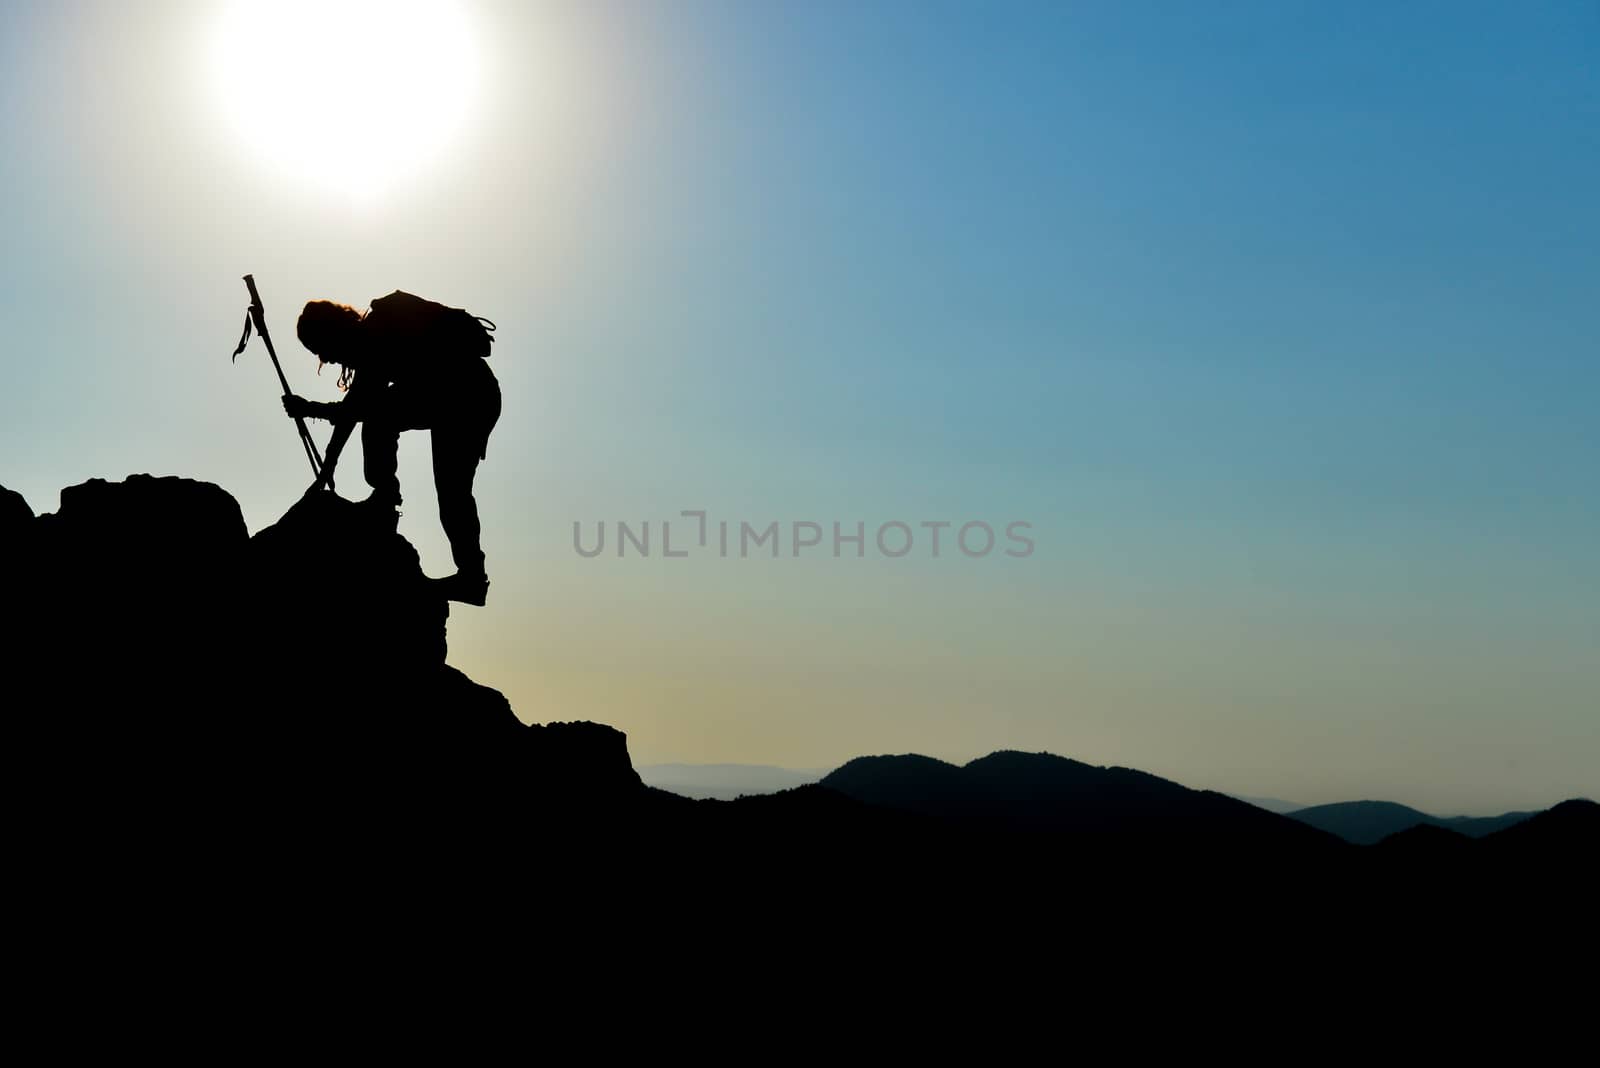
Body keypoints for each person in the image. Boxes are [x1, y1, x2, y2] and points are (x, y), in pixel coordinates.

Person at [283, 292, 502, 606]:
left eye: (322, 348)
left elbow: (357, 410)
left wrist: (310, 410)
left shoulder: (377, 336)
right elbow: (356, 410)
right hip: (458, 395)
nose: (327, 359)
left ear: (334, 333)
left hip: (469, 395)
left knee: (450, 490)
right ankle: (389, 503)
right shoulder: (371, 341)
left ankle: (466, 573)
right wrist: (327, 468)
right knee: (447, 487)